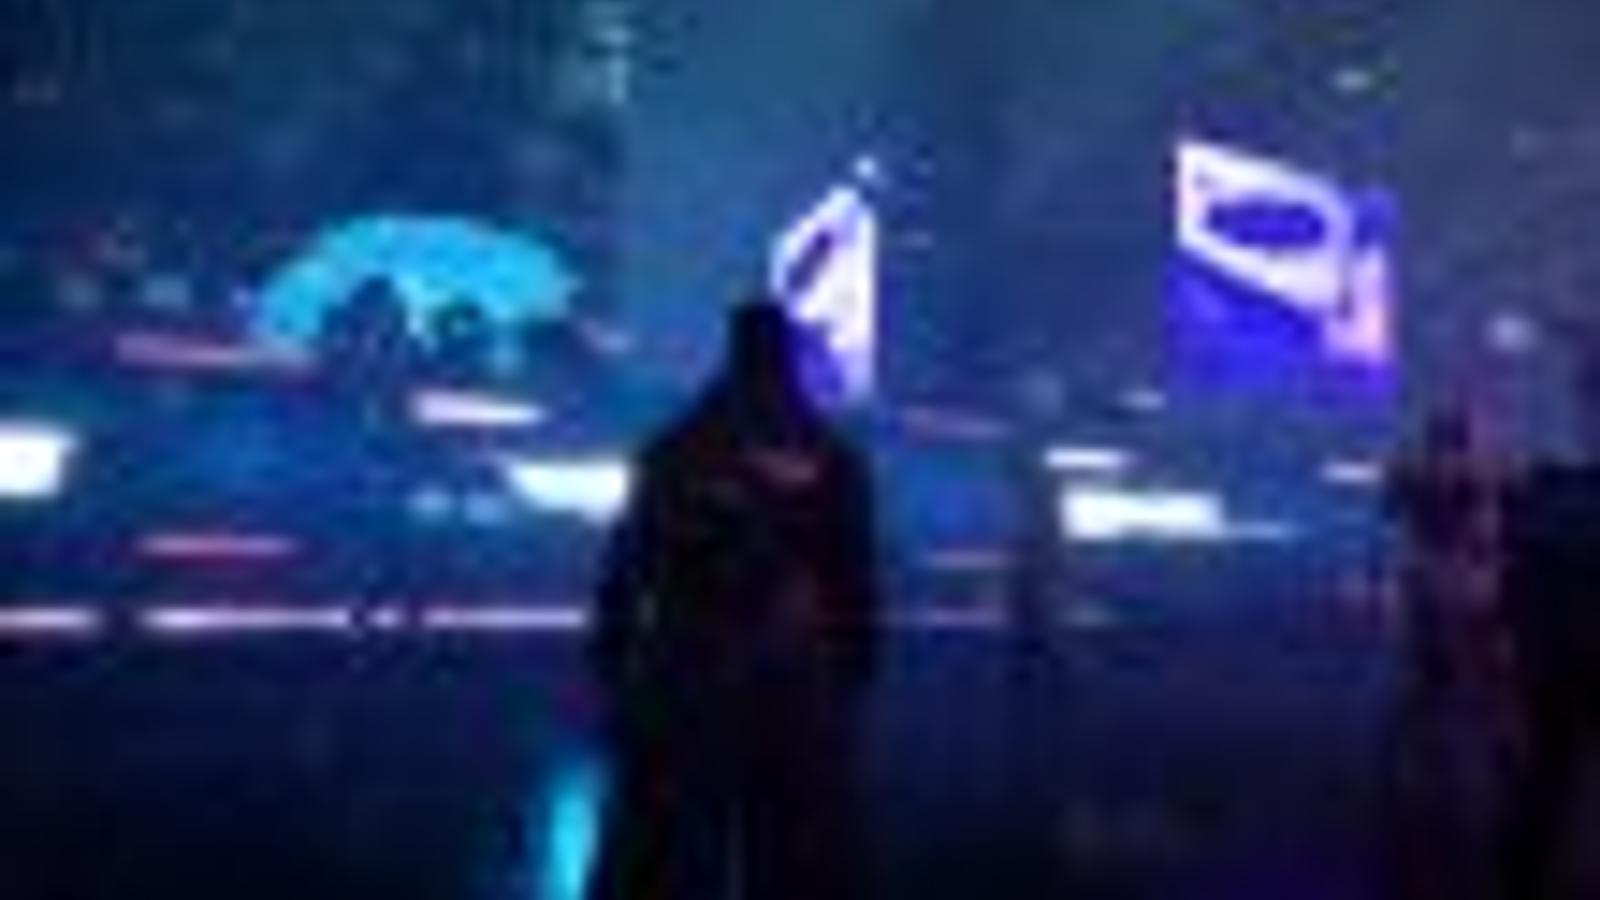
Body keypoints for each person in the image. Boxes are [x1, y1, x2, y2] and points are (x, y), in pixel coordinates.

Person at [587, 298, 881, 900]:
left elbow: (633, 551)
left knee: (669, 843)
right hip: (787, 665)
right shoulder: (827, 453)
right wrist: (856, 653)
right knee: (794, 846)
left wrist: (613, 646)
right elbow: (851, 566)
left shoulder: (679, 447)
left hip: (692, 662)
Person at [1384, 403, 1517, 900]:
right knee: (1476, 676)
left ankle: (1420, 769)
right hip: (1466, 586)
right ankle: (1491, 758)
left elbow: (1394, 507)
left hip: (1435, 583)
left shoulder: (1420, 472)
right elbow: (1492, 526)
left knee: (1435, 680)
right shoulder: (1477, 473)